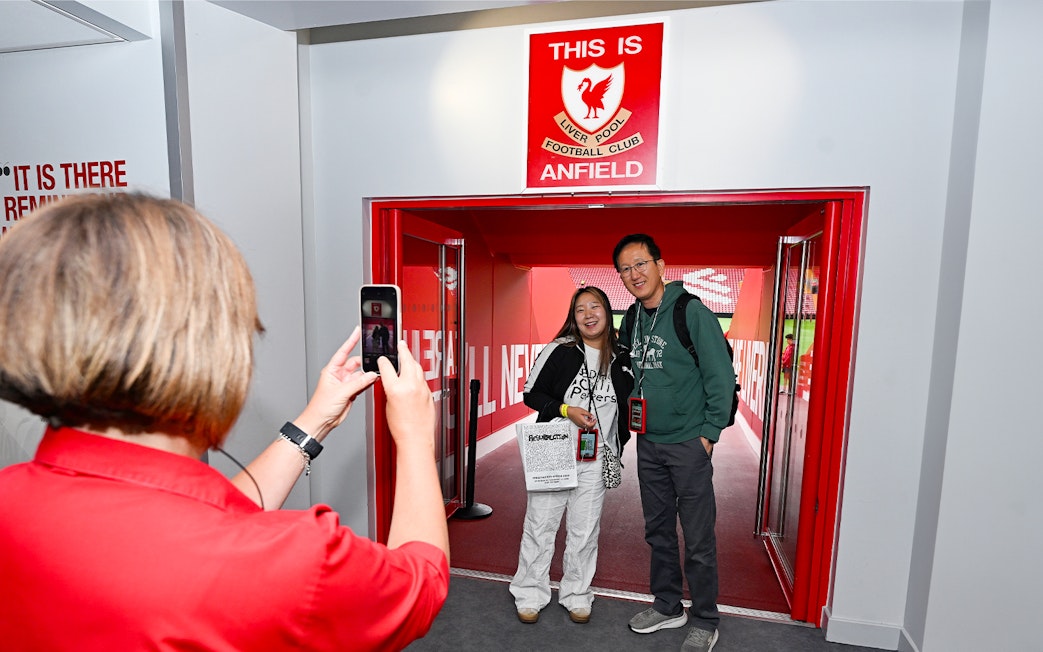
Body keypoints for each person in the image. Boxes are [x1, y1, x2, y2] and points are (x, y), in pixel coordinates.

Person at [0, 193, 449, 651]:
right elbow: (424, 580)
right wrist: (413, 435)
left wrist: (316, 419)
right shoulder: (302, 563)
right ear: (211, 349)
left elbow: (193, 524)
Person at [612, 234, 735, 652]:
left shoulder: (691, 312)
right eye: (625, 269)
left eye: (640, 264)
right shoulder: (631, 317)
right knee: (658, 530)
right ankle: (668, 605)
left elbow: (720, 375)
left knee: (698, 536)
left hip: (689, 444)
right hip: (650, 443)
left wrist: (710, 433)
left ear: (661, 265)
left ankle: (704, 616)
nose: (634, 274)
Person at [509, 286, 634, 625]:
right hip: (553, 449)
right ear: (573, 317)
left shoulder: (621, 356)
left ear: (608, 312)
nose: (589, 314)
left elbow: (627, 404)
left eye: (595, 307)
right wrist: (566, 409)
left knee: (585, 529)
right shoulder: (560, 350)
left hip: (596, 455)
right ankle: (529, 592)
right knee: (541, 524)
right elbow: (531, 394)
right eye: (581, 309)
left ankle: (577, 593)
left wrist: (620, 439)